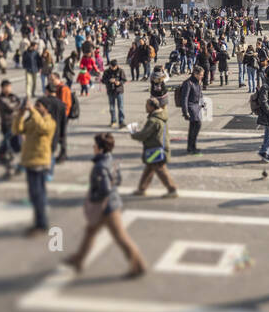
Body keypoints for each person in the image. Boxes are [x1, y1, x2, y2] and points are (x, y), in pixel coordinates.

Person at [64, 132, 146, 278]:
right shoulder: (112, 161)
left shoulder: (100, 166)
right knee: (90, 232)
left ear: (100, 149)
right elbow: (118, 180)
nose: (93, 147)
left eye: (95, 145)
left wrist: (92, 197)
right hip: (111, 203)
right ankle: (79, 259)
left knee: (121, 237)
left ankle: (138, 265)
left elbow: (105, 189)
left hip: (107, 208)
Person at [14, 97, 57, 236]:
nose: (36, 107)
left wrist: (32, 110)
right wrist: (20, 114)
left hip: (40, 161)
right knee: (34, 195)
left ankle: (42, 223)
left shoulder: (49, 122)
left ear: (46, 108)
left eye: (39, 105)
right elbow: (17, 130)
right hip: (29, 160)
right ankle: (39, 222)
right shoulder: (33, 119)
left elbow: (42, 128)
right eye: (35, 105)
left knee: (38, 194)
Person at [131, 96, 178, 196]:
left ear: (152, 107)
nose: (145, 107)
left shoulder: (153, 120)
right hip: (159, 146)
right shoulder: (161, 116)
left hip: (156, 148)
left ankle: (172, 189)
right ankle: (142, 189)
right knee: (149, 168)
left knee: (160, 169)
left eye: (147, 105)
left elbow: (144, 134)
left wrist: (134, 134)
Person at [181, 66, 205, 155]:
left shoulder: (197, 81)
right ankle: (191, 146)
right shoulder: (188, 83)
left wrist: (202, 103)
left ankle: (191, 146)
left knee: (193, 127)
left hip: (197, 106)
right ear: (195, 74)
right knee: (197, 124)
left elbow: (200, 93)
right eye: (201, 75)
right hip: (191, 106)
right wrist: (185, 111)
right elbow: (185, 98)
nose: (202, 76)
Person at [103, 58, 127, 127]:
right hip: (110, 91)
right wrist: (109, 80)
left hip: (119, 91)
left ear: (117, 65)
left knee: (120, 107)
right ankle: (113, 121)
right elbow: (103, 80)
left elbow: (124, 80)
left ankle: (121, 121)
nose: (113, 68)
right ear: (110, 65)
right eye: (112, 66)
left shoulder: (120, 71)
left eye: (114, 67)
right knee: (112, 107)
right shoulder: (107, 71)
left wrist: (119, 82)